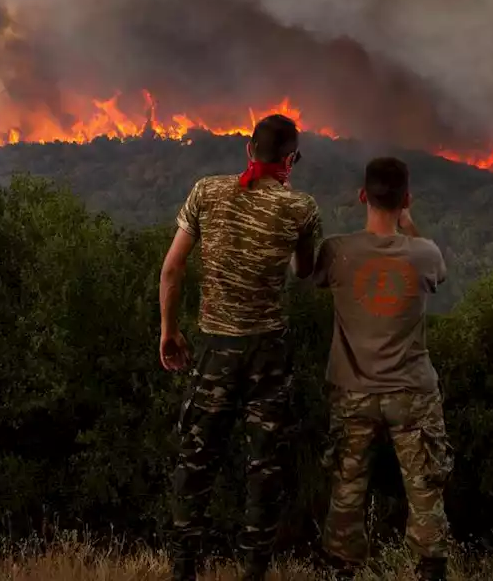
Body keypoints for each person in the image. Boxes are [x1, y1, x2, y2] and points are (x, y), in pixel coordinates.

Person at [158, 113, 322, 581]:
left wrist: (169, 331)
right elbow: (304, 270)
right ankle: (253, 570)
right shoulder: (301, 208)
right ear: (290, 159)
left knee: (195, 461)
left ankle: (184, 568)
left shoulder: (206, 191)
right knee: (264, 468)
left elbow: (171, 270)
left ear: (250, 151)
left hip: (215, 349)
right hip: (268, 354)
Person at [313, 157, 453, 581]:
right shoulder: (424, 253)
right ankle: (430, 570)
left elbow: (309, 275)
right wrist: (409, 224)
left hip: (352, 391)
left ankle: (342, 569)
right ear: (406, 199)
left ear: (362, 196)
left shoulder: (336, 251)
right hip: (412, 392)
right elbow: (439, 274)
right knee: (425, 487)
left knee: (347, 487)